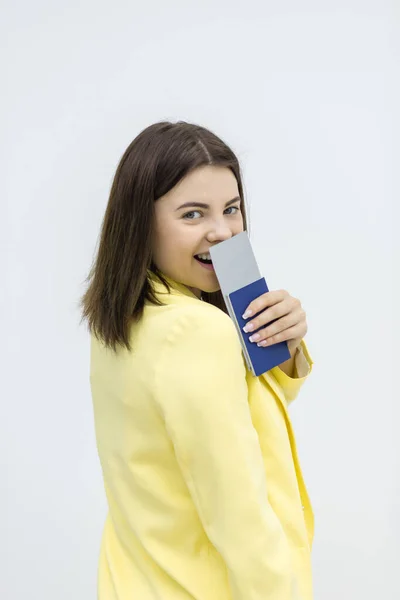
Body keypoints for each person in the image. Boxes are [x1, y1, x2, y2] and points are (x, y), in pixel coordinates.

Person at [81, 120, 315, 600]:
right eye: (192, 214)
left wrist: (283, 348)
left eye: (232, 209)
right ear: (139, 221)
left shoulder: (122, 316)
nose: (223, 232)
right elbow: (239, 515)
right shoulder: (199, 333)